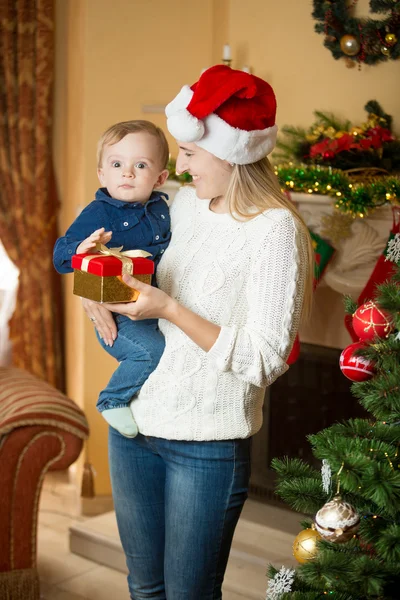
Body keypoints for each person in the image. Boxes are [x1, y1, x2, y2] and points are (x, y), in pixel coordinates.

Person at [81, 65, 315, 600]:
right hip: (135, 425)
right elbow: (126, 266)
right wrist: (96, 292)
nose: (178, 167)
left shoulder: (275, 231)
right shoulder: (179, 206)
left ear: (231, 153)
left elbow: (265, 359)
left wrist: (170, 308)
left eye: (189, 154)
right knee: (144, 588)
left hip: (206, 447)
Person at [53, 120, 171, 438]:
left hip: (153, 309)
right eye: (117, 164)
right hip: (119, 317)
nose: (127, 173)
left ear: (161, 178)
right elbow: (61, 256)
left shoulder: (163, 209)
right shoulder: (99, 213)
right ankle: (112, 399)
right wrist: (82, 250)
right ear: (102, 174)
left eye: (140, 165)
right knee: (150, 352)